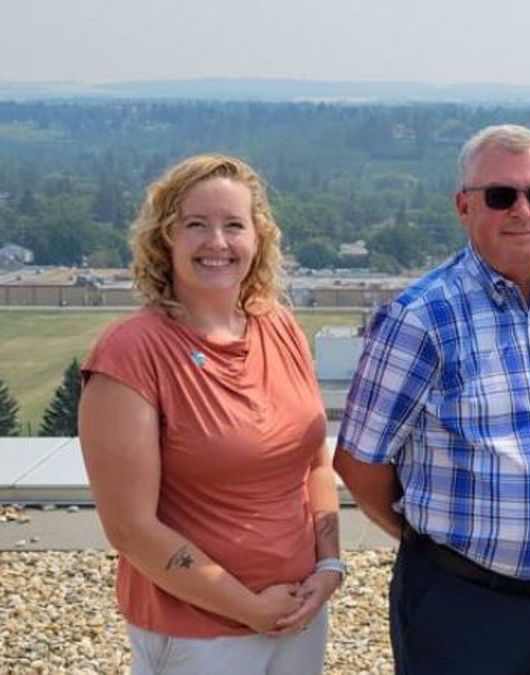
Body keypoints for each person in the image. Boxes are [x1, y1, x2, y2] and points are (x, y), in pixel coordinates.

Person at [333, 124, 530, 675]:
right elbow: (358, 460)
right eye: (501, 196)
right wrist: (428, 542)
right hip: (463, 608)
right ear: (464, 206)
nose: (523, 211)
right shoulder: (420, 317)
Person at [79, 154, 342, 675]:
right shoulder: (131, 354)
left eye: (233, 225)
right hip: (198, 633)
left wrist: (329, 565)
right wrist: (251, 609)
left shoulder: (278, 325)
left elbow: (313, 461)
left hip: (299, 610)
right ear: (164, 239)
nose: (217, 243)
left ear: (258, 237)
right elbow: (130, 529)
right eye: (196, 225)